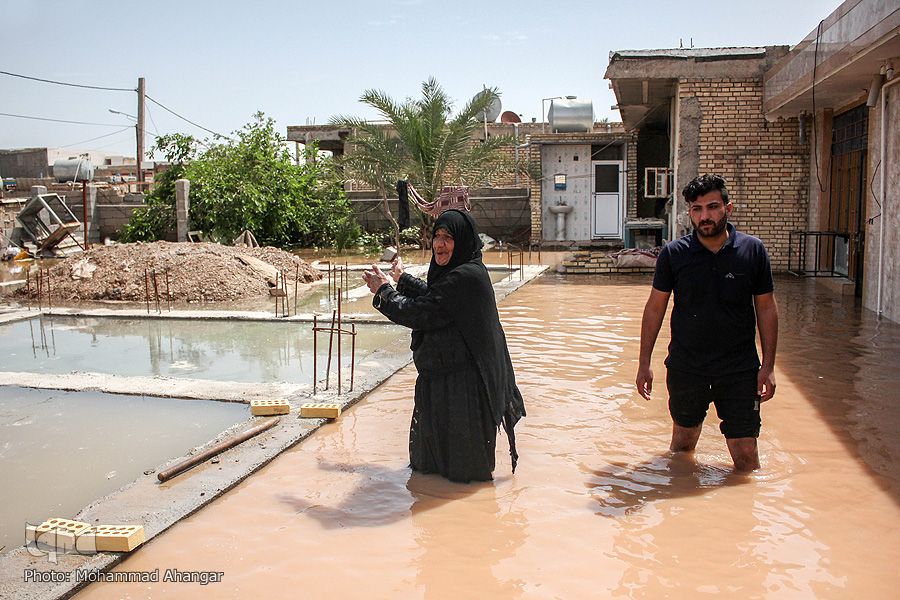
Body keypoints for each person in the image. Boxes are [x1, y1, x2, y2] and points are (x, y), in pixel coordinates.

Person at [362, 209, 526, 483]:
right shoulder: (459, 273)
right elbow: (436, 296)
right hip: (442, 383)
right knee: (431, 467)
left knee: (464, 472)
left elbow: (420, 312)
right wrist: (402, 280)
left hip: (463, 391)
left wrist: (384, 291)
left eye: (447, 237)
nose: (439, 244)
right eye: (437, 236)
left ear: (461, 241)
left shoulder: (466, 277)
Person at [635, 174, 778, 471]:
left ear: (728, 207)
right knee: (682, 447)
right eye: (697, 209)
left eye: (712, 207)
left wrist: (768, 366)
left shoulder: (752, 251)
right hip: (687, 367)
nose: (705, 216)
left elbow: (766, 308)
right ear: (690, 213)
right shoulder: (674, 254)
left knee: (746, 456)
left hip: (739, 369)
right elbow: (655, 308)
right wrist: (644, 363)